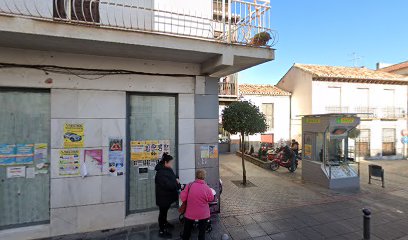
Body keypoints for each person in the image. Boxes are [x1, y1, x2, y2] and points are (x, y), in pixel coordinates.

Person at [181, 169, 215, 240]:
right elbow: (211, 198)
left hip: (190, 213)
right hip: (203, 214)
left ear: (196, 176)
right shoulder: (206, 187)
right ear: (204, 177)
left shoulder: (189, 185)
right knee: (202, 232)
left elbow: (183, 198)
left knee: (187, 231)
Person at [155, 153, 180, 238]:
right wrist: (178, 184)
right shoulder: (161, 173)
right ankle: (162, 231)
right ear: (165, 162)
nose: (171, 164)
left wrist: (176, 178)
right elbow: (169, 185)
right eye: (170, 162)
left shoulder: (167, 168)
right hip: (163, 198)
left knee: (164, 212)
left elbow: (173, 176)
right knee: (162, 214)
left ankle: (165, 223)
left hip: (167, 197)